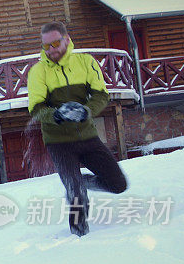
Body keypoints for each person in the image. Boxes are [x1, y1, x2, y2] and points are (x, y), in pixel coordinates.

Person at [27, 21, 128, 236]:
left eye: (55, 43)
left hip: (87, 136)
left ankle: (79, 182)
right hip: (58, 141)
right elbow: (36, 109)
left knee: (118, 184)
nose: (51, 50)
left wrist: (86, 111)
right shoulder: (38, 71)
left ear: (67, 39)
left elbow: (101, 94)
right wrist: (56, 114)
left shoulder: (85, 62)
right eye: (46, 46)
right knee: (75, 193)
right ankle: (79, 237)